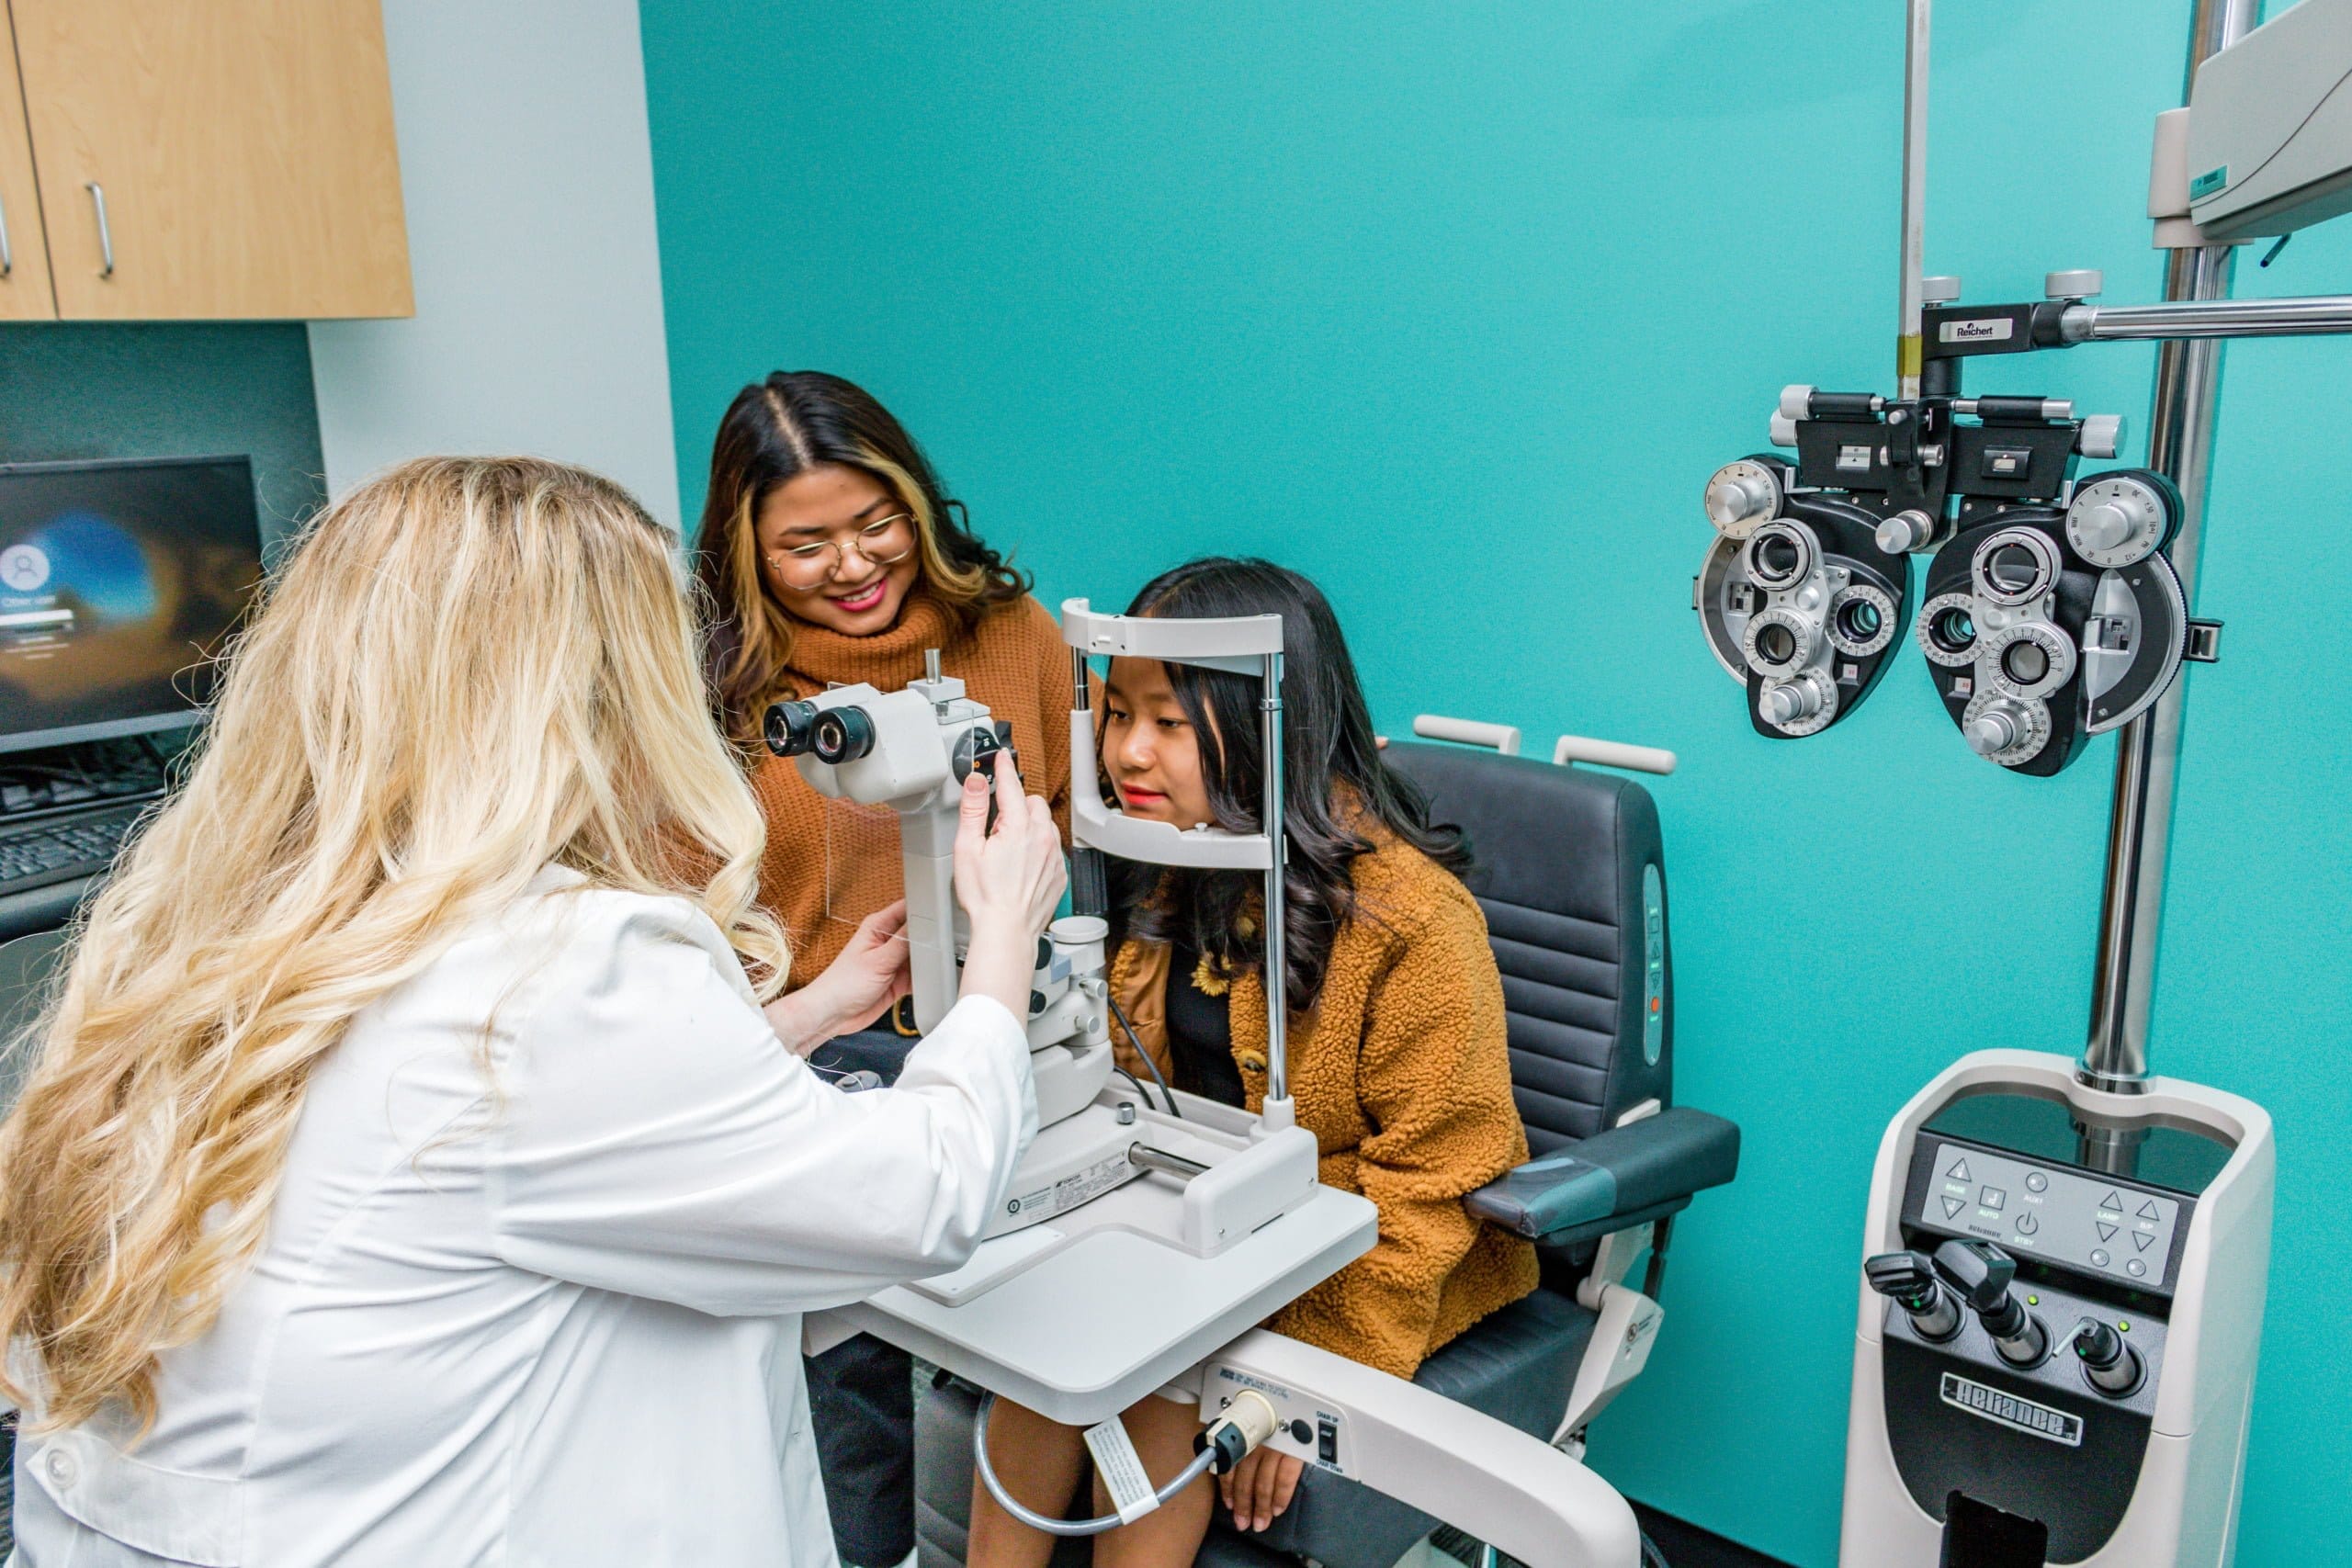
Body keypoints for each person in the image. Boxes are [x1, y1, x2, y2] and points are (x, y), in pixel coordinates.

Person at [0, 457, 1065, 1567]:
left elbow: (446, 1134)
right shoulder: (558, 970)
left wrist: (808, 1012)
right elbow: (916, 1202)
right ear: (602, 692)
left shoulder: (179, 921)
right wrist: (999, 943)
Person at [967, 558, 1540, 1568]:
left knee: (1158, 1378)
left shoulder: (1411, 923)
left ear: (1268, 719)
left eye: (1171, 724)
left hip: (1345, 1264)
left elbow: (1437, 1189)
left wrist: (1299, 1379)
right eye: (1117, 715)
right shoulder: (1170, 854)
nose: (1129, 752)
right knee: (1039, 1356)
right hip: (1192, 1231)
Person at [694, 370, 1076, 1567]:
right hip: (810, 1042)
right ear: (746, 550)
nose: (856, 565)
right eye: (805, 544)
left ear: (919, 502)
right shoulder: (722, 689)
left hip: (1001, 1011)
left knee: (1059, 1333)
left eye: (878, 523)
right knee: (844, 1375)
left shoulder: (1011, 636)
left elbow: (1053, 821)